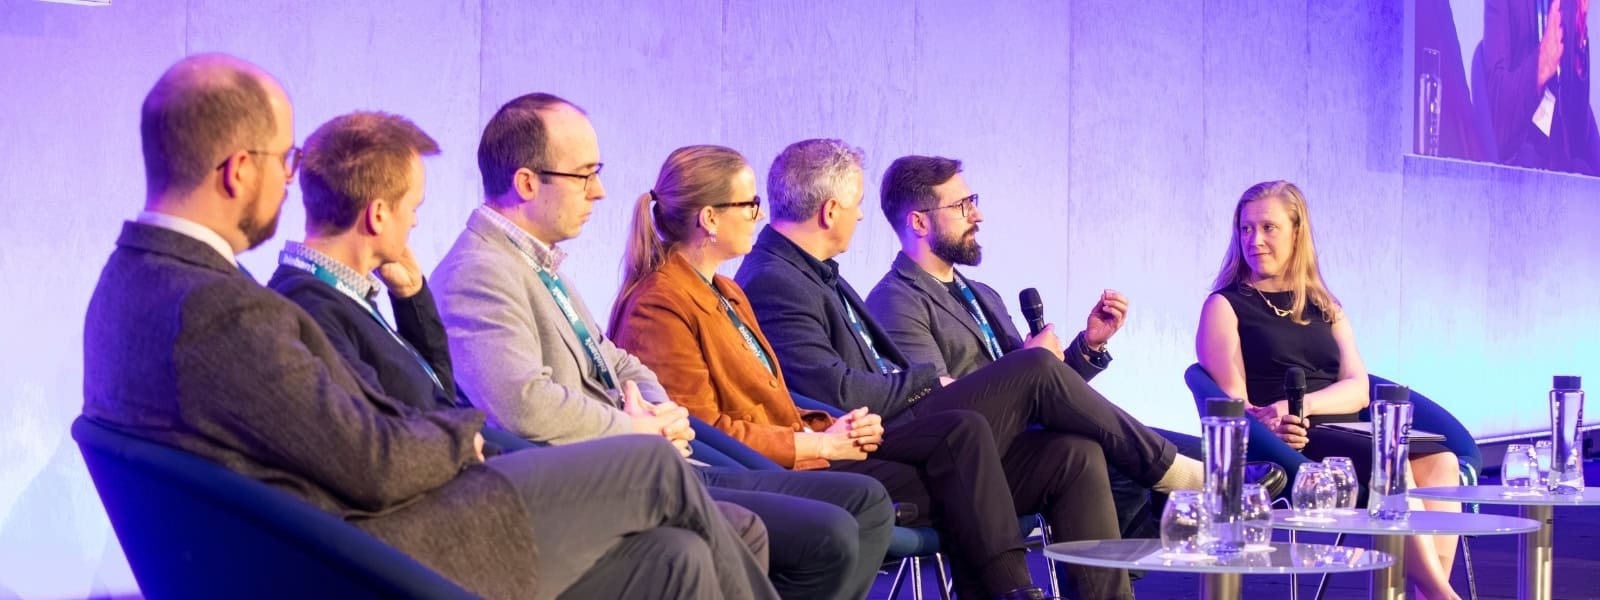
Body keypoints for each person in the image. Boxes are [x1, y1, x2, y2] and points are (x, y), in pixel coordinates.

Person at [82, 53, 772, 600]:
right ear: (237, 171)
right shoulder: (219, 309)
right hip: (380, 551)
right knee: (650, 462)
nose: (291, 181)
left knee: (676, 557)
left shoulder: (133, 281)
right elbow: (372, 460)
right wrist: (466, 430)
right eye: (285, 160)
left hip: (342, 536)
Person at [430, 95, 893, 600]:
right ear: (526, 183)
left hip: (653, 459)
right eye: (585, 175)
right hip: (595, 480)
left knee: (855, 507)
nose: (600, 191)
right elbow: (522, 405)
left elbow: (619, 362)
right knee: (822, 531)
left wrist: (657, 409)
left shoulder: (537, 265)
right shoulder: (478, 272)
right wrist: (636, 428)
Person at [264, 111, 769, 561]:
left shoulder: (350, 294)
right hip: (463, 509)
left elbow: (432, 389)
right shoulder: (314, 303)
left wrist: (412, 297)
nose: (418, 220)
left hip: (495, 477)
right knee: (715, 535)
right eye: (414, 208)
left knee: (718, 534)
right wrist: (633, 430)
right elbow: (405, 428)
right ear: (378, 215)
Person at [607, 145, 1096, 599]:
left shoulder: (727, 292)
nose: (760, 215)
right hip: (758, 473)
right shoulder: (661, 303)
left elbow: (779, 396)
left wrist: (825, 426)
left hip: (813, 445)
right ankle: (1017, 588)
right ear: (710, 218)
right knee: (993, 409)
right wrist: (816, 442)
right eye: (749, 205)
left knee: (1028, 444)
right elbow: (700, 430)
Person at [863, 155, 1288, 512]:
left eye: (973, 201)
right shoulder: (895, 301)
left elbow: (1048, 392)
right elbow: (937, 404)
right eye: (961, 206)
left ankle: (1194, 493)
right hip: (978, 457)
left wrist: (1088, 346)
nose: (978, 215)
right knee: (1117, 459)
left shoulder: (982, 294)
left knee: (1131, 465)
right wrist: (1026, 362)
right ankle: (1201, 476)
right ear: (919, 222)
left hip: (1034, 434)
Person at [1195, 180, 1466, 600]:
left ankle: (1431, 592)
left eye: (1269, 228)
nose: (1255, 240)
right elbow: (1235, 406)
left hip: (1343, 427)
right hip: (1287, 441)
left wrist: (1300, 404)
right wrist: (1280, 419)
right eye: (1246, 229)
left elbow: (1359, 389)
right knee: (1390, 462)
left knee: (1443, 461)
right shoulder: (1224, 305)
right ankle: (1443, 596)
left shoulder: (1325, 304)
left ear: (1297, 232)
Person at [1483, 0, 1600, 175]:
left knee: (1585, 169)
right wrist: (1540, 66)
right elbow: (1498, 108)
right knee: (1530, 160)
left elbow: (1578, 135)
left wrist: (1579, 42)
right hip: (1522, 142)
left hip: (1562, 150)